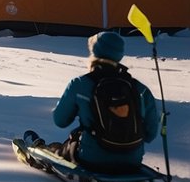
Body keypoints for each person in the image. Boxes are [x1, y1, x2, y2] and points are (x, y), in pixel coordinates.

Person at [25, 32, 160, 171]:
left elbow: (60, 120)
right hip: (133, 160)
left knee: (59, 150)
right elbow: (150, 134)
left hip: (91, 158)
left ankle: (41, 152)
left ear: (95, 51)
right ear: (119, 54)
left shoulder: (80, 84)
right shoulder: (140, 89)